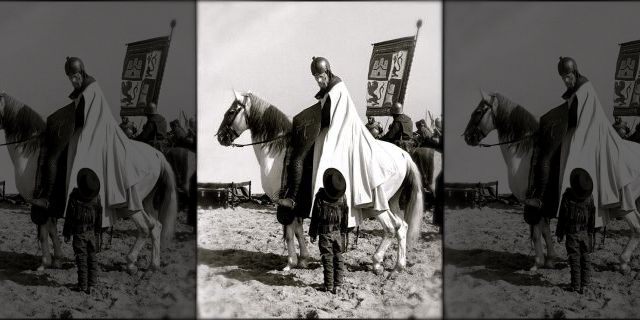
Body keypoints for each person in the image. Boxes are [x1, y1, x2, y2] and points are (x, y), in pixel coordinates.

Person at [300, 56, 402, 229]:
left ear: (328, 71)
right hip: (334, 129)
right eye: (315, 77)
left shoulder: (337, 88)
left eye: (321, 76)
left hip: (344, 132)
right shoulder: (328, 90)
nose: (318, 80)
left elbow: (331, 116)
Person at [63, 168, 103, 294]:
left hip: (79, 233)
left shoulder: (74, 197)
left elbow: (69, 217)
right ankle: (92, 283)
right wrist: (97, 234)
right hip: (91, 232)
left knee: (81, 259)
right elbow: (99, 218)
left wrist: (67, 233)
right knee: (92, 257)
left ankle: (83, 285)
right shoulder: (97, 198)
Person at [309, 168, 349, 294]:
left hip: (325, 233)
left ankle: (329, 286)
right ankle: (338, 284)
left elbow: (315, 216)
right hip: (338, 232)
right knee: (339, 256)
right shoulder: (343, 198)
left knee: (327, 258)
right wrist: (344, 233)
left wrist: (313, 233)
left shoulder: (320, 196)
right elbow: (345, 217)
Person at [556, 168, 595, 294]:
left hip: (572, 233)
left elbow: (562, 217)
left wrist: (560, 233)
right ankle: (586, 284)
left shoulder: (567, 196)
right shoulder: (590, 198)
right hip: (585, 233)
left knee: (574, 259)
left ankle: (576, 286)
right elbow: (592, 217)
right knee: (585, 257)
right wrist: (591, 234)